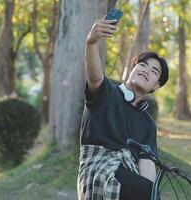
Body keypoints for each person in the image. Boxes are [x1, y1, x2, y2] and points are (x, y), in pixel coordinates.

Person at [77, 16, 169, 200]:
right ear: (132, 69)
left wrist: (151, 194)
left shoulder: (148, 124)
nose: (146, 70)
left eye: (154, 71)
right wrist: (91, 42)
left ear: (156, 86)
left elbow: (147, 164)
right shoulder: (106, 92)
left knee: (151, 194)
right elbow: (94, 75)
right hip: (97, 168)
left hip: (128, 176)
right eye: (142, 65)